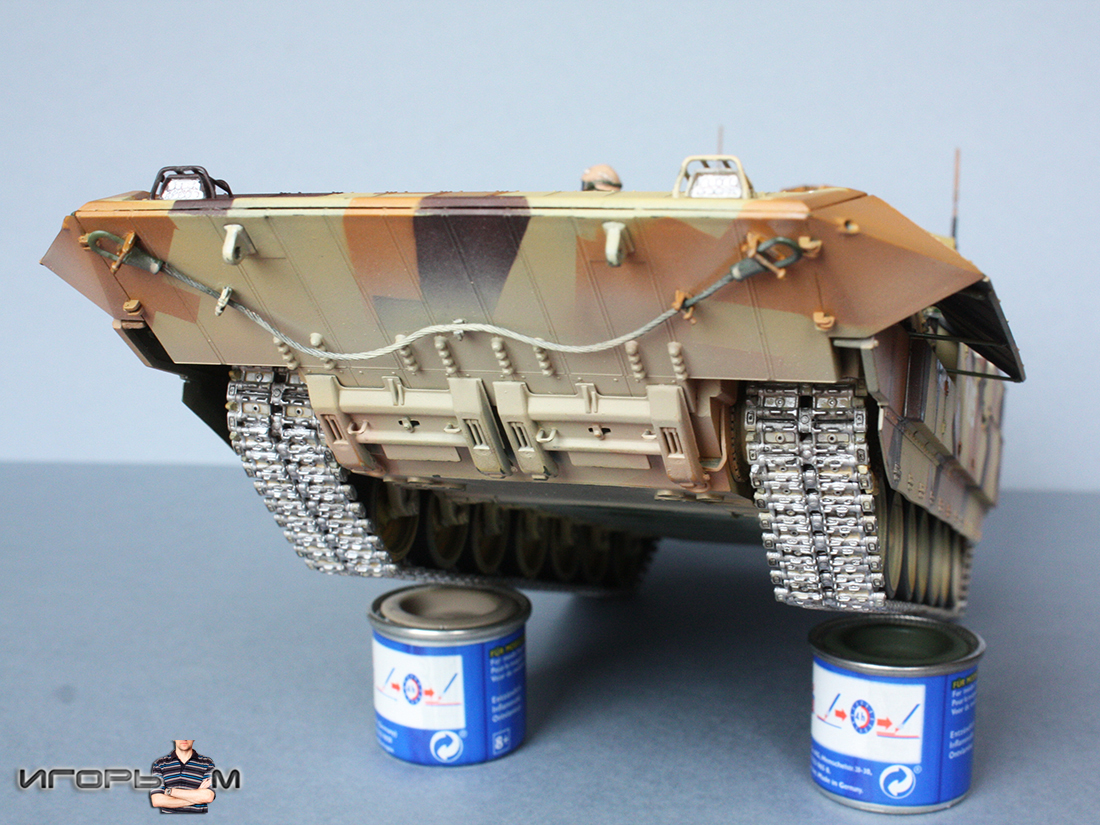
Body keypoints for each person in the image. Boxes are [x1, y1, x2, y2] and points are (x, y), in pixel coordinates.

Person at [149, 740, 216, 814]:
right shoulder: (160, 764)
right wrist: (197, 796)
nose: (184, 739)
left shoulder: (207, 763)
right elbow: (156, 801)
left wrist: (170, 791)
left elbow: (208, 797)